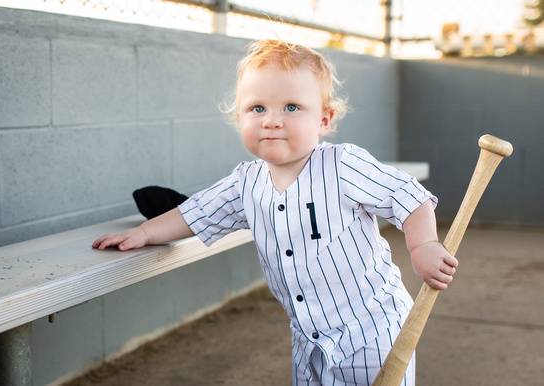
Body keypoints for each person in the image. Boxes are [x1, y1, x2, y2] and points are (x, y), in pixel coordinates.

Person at [93, 39, 458, 385]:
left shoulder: (342, 165)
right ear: (240, 118)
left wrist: (423, 245)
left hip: (372, 330)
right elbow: (194, 213)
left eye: (291, 107)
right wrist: (143, 233)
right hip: (308, 337)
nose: (271, 120)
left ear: (324, 120)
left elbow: (407, 195)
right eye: (257, 108)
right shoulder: (245, 182)